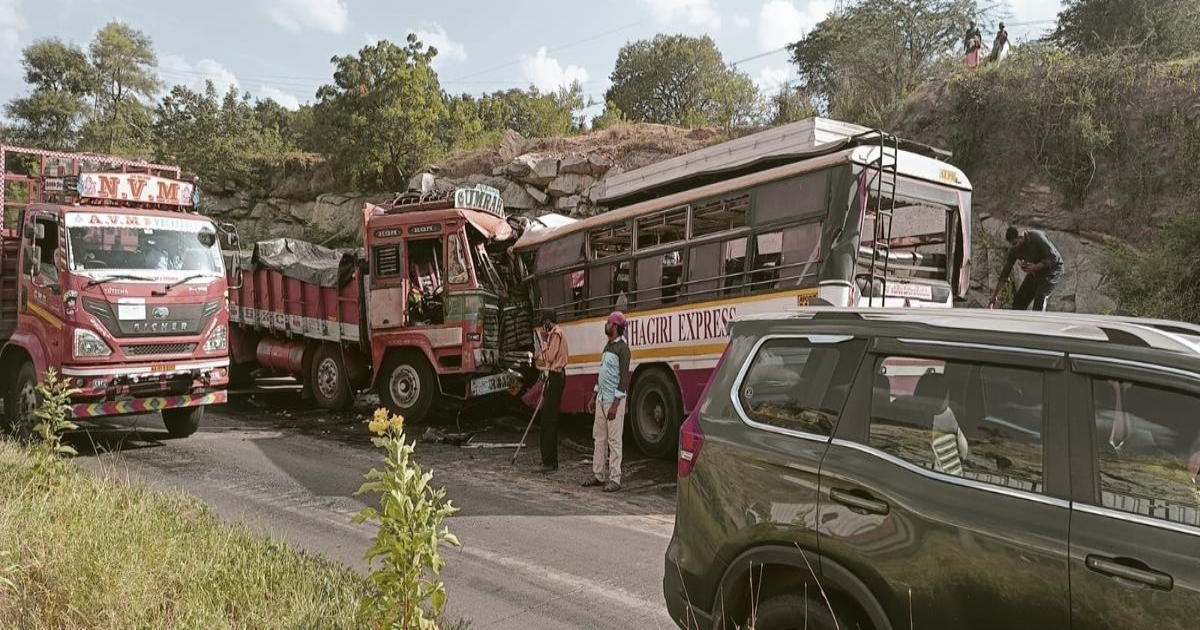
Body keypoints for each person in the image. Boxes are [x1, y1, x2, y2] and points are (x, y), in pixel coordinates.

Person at [583, 311, 631, 492]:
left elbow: (624, 378)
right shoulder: (608, 347)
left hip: (612, 401)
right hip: (601, 399)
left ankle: (615, 479)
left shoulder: (623, 350)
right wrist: (594, 396)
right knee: (599, 438)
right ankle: (598, 475)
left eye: (609, 323)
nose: (606, 325)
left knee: (614, 440)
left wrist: (616, 404)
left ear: (616, 327)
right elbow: (602, 374)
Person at [989, 226, 1065, 311]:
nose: (1014, 247)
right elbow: (1005, 273)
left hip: (1053, 269)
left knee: (1040, 296)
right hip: (1036, 271)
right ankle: (1017, 322)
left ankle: (1037, 320)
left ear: (1021, 237)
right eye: (1011, 244)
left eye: (1015, 243)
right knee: (1019, 300)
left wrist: (1035, 267)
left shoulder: (1037, 237)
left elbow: (1053, 257)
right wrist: (994, 297)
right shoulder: (1014, 249)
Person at [534, 309, 568, 473]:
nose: (543, 326)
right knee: (549, 419)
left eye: (544, 322)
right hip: (556, 377)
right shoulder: (558, 333)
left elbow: (549, 357)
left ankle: (548, 461)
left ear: (549, 321)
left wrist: (544, 342)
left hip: (555, 376)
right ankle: (550, 460)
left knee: (548, 420)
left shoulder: (555, 334)